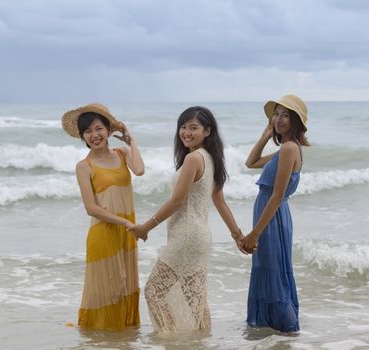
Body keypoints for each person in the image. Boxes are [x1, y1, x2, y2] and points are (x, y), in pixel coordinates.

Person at [130, 106, 244, 334]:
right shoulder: (211, 158)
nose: (186, 132)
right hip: (200, 238)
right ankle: (198, 341)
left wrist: (145, 227)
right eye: (183, 127)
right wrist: (237, 236)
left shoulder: (193, 159)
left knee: (154, 291)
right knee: (196, 301)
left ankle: (172, 341)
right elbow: (219, 201)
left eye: (193, 128)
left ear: (207, 131)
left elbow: (177, 201)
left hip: (187, 237)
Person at [62, 103, 145, 330]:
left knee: (125, 284)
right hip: (105, 232)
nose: (94, 135)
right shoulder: (84, 166)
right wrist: (126, 222)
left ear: (108, 130)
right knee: (108, 289)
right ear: (83, 137)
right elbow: (92, 208)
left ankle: (121, 339)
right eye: (87, 132)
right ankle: (100, 338)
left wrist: (132, 141)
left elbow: (139, 170)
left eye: (98, 128)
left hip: (126, 232)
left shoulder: (123, 153)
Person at [241, 95, 309, 332]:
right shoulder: (285, 149)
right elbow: (251, 162)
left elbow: (277, 195)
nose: (278, 119)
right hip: (272, 213)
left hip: (272, 215)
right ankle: (272, 331)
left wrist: (254, 234)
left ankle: (287, 328)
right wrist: (265, 136)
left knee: (272, 270)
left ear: (296, 121)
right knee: (269, 268)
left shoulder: (290, 148)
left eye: (285, 115)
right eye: (276, 114)